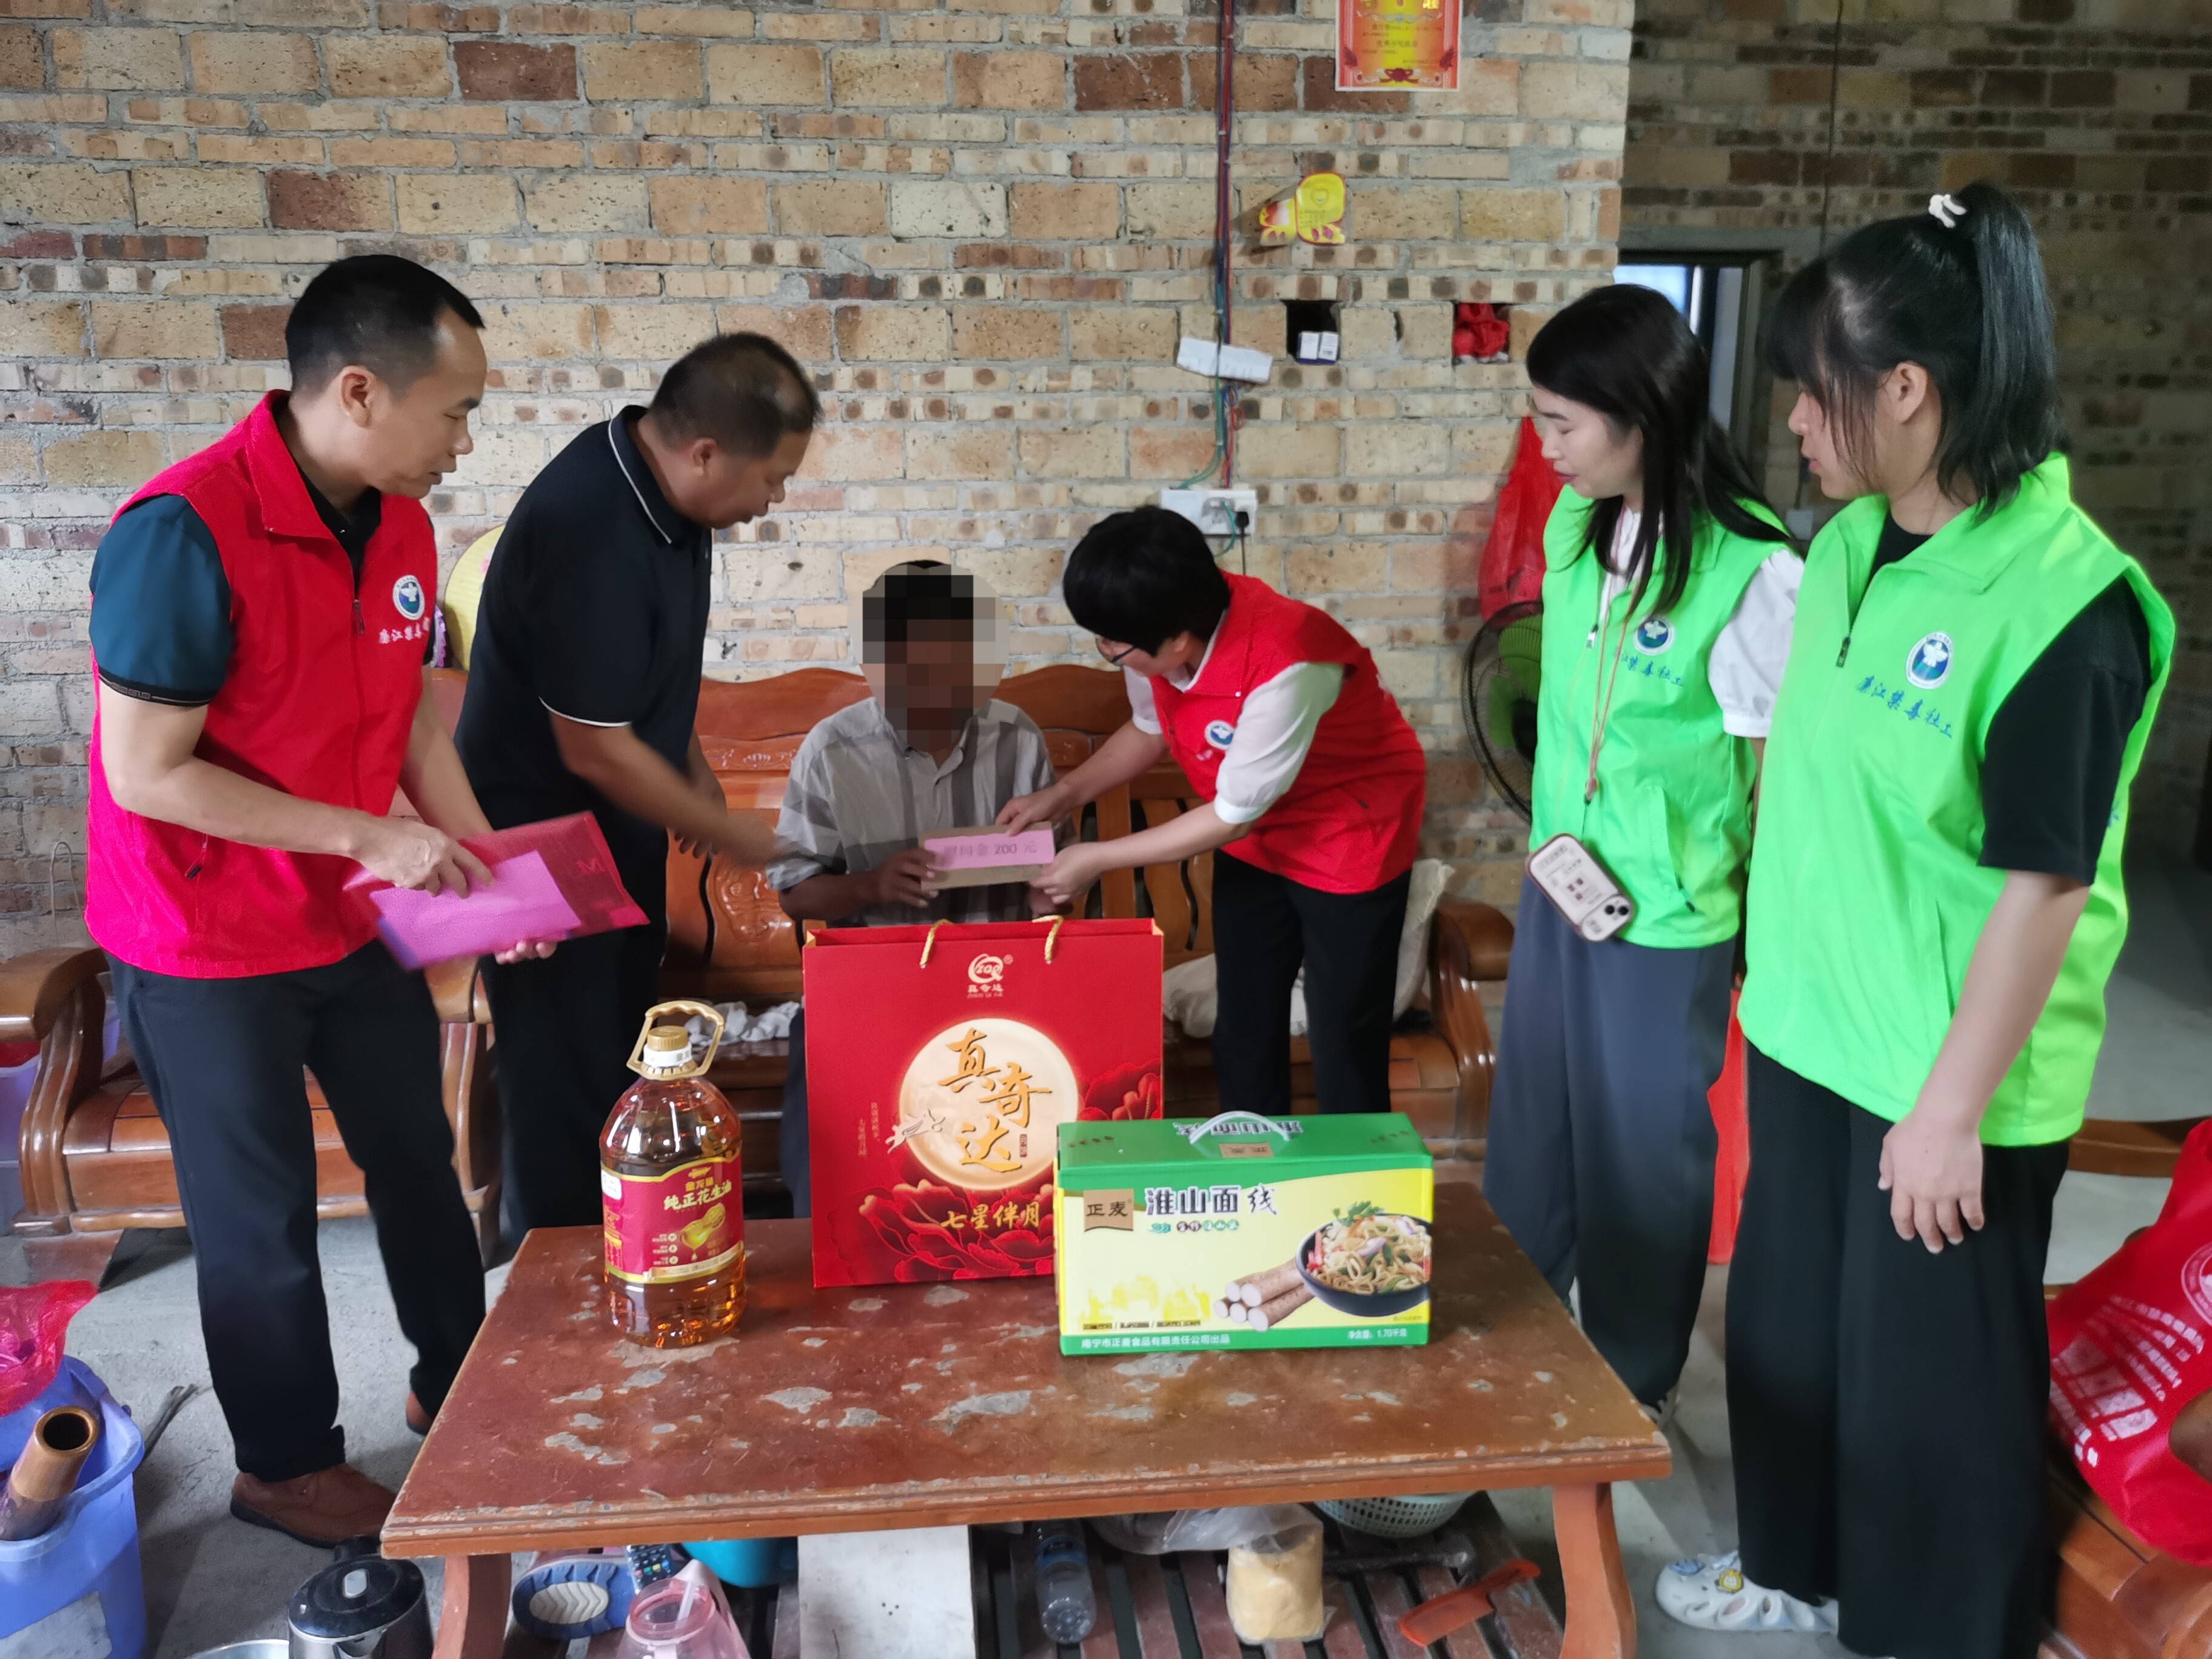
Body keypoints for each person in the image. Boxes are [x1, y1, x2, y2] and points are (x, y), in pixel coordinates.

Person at [1658, 183, 2173, 1659]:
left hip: (1943, 1071)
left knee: (1926, 1388)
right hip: (1810, 1026)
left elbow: (2044, 884)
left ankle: (1933, 1628)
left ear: (1905, 388)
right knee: (1787, 1337)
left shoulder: (2066, 603)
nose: (1794, 427)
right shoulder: (1843, 548)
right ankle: (1795, 1564)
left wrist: (1949, 1113)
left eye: (1812, 395)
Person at [86, 255, 537, 1546]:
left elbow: (411, 725)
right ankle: (283, 1466)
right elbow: (146, 772)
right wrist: (369, 836)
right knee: (262, 1221)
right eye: (455, 411)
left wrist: (492, 866)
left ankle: (459, 1382)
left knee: (418, 1163)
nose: (464, 441)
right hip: (202, 940)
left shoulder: (400, 530)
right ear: (358, 391)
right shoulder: (181, 533)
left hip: (342, 919)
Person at [1481, 283, 1799, 1413]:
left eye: (1562, 423)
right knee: (1533, 1128)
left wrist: (1766, 932)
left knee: (1642, 1154)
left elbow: (1777, 784)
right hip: (1563, 884)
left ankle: (1629, 1377)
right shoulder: (1578, 525)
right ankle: (1509, 1339)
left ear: (1640, 416)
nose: (1546, 447)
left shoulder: (1753, 571)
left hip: (1667, 918)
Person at [456, 333, 818, 1238]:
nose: (773, 500)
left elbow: (646, 672)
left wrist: (692, 766)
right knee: (562, 1085)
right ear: (707, 453)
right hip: (541, 851)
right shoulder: (589, 526)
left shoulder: (673, 506)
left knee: (619, 1062)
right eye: (773, 479)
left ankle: (623, 1249)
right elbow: (592, 746)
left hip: (615, 841)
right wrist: (730, 833)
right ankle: (552, 1274)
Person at [1004, 508, 1428, 1116]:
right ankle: (1252, 1161)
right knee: (1244, 1024)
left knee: (1344, 1039)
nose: (1107, 651)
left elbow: (1231, 816)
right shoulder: (1155, 631)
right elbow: (1149, 729)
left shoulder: (1288, 660)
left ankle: (1359, 1176)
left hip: (1349, 833)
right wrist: (1061, 796)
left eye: (1113, 645)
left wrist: (1095, 858)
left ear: (1178, 640)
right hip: (1257, 834)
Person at [765, 562, 1058, 1213]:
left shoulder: (1017, 739)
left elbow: (1049, 877)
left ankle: (1019, 1235)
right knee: (823, 1121)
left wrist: (1050, 895)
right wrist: (871, 886)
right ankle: (826, 1233)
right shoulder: (833, 750)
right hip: (872, 987)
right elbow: (795, 893)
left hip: (999, 986)